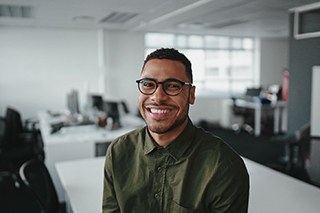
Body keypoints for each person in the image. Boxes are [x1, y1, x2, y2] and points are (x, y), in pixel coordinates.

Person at [102, 48, 249, 212]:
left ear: (191, 95)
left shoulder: (223, 166)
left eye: (172, 86)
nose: (158, 97)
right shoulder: (118, 151)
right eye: (148, 84)